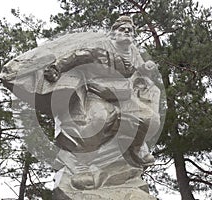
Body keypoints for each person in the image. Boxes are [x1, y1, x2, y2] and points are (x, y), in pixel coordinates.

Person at [43, 16, 161, 174]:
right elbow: (77, 56)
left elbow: (138, 69)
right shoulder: (100, 47)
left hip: (124, 96)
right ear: (113, 33)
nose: (126, 32)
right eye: (122, 29)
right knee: (100, 120)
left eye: (130, 30)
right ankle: (81, 162)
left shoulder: (133, 52)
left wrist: (146, 69)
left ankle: (135, 147)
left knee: (150, 120)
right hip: (98, 94)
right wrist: (57, 67)